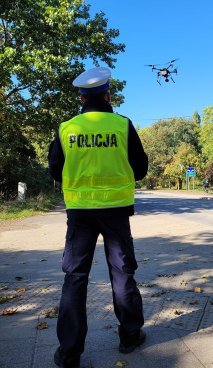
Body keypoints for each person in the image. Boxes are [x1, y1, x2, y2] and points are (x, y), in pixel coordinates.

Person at [48, 67, 148, 368]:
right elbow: (141, 168)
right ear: (107, 95)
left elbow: (54, 169)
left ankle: (69, 353)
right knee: (121, 272)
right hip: (116, 212)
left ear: (81, 97)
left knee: (75, 278)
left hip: (80, 214)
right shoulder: (122, 125)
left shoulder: (67, 129)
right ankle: (130, 336)